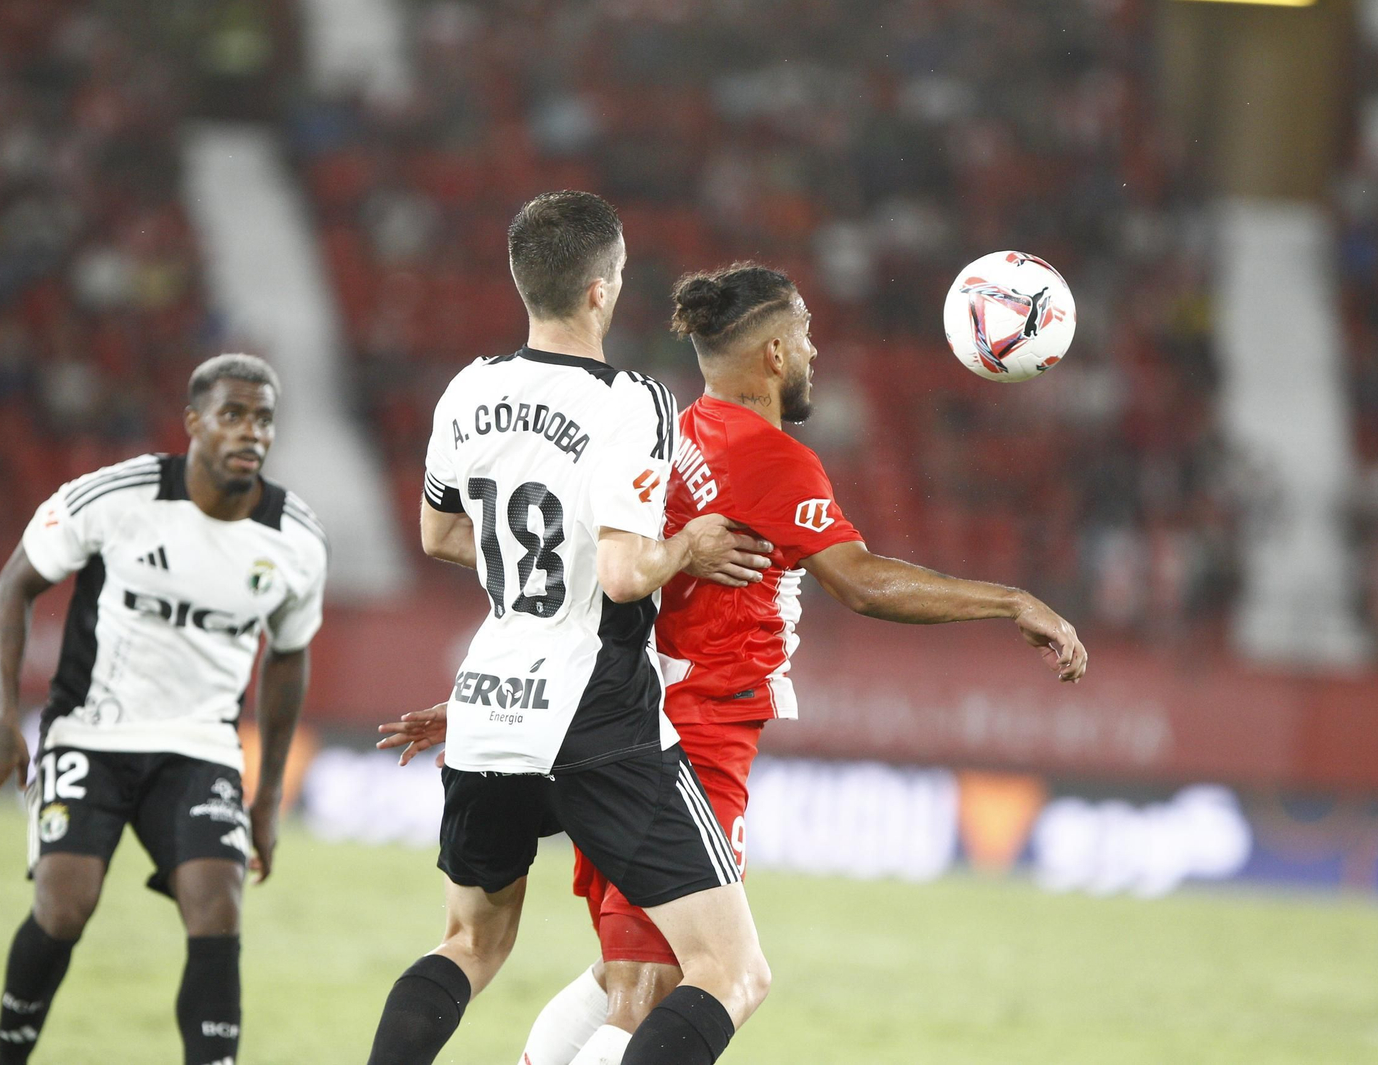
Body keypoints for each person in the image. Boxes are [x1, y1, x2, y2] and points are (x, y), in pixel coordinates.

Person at [382, 263, 1089, 1065]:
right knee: (666, 985)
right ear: (776, 353)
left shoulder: (673, 435)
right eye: (807, 333)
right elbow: (861, 582)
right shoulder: (771, 461)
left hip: (605, 711)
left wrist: (502, 700)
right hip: (687, 736)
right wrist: (1011, 601)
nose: (816, 350)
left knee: (621, 977)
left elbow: (582, 570)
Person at [364, 191, 776, 1065]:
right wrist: (689, 546)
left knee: (469, 946)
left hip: (488, 697)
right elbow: (624, 574)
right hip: (595, 710)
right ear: (602, 289)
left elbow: (439, 534)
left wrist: (536, 583)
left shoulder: (468, 388)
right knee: (731, 971)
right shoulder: (633, 400)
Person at [0, 353, 328, 1065]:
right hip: (91, 734)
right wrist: (3, 718)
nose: (251, 432)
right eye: (232, 415)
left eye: (263, 419)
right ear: (194, 422)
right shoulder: (116, 497)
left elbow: (289, 656)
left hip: (202, 749)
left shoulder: (298, 540)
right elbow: (14, 587)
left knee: (218, 910)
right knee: (65, 906)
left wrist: (268, 795)